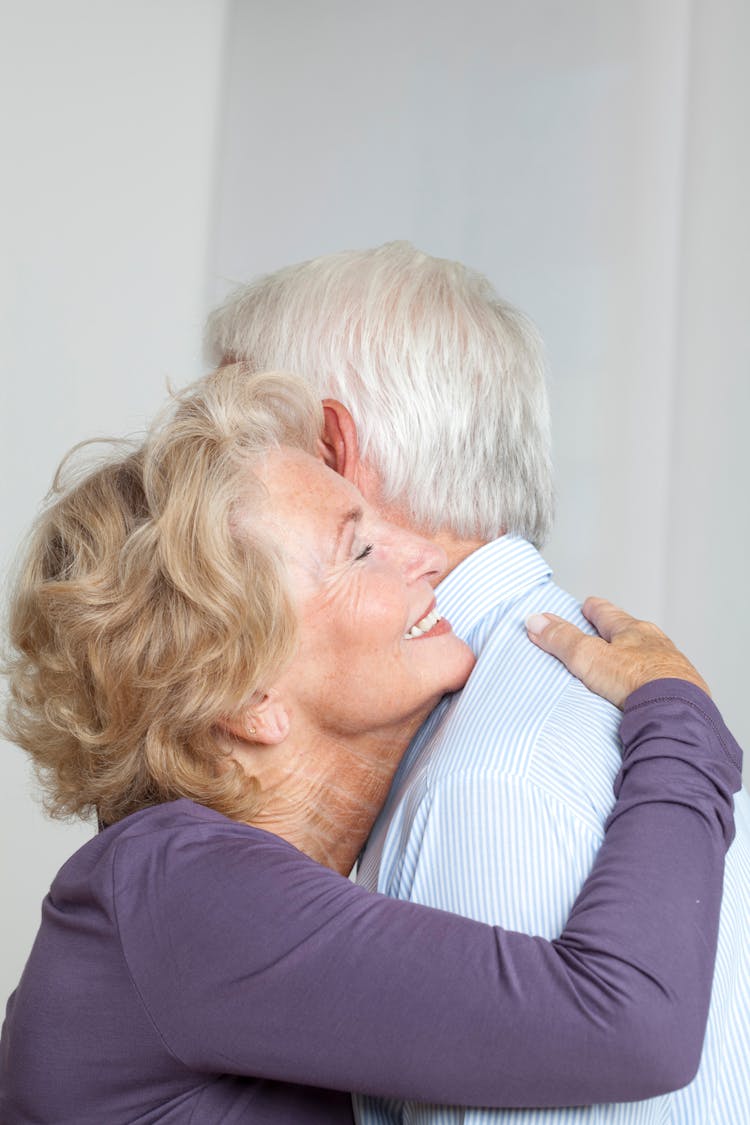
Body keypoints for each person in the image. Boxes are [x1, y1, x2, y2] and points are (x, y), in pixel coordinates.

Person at [0, 366, 742, 1125]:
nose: (422, 556)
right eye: (360, 551)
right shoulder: (171, 887)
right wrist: (677, 710)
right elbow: (629, 1022)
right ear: (249, 697)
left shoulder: (194, 897)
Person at [206, 243, 750, 1125]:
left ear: (329, 451)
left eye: (226, 456)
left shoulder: (489, 783)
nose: (191, 510)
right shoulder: (508, 715)